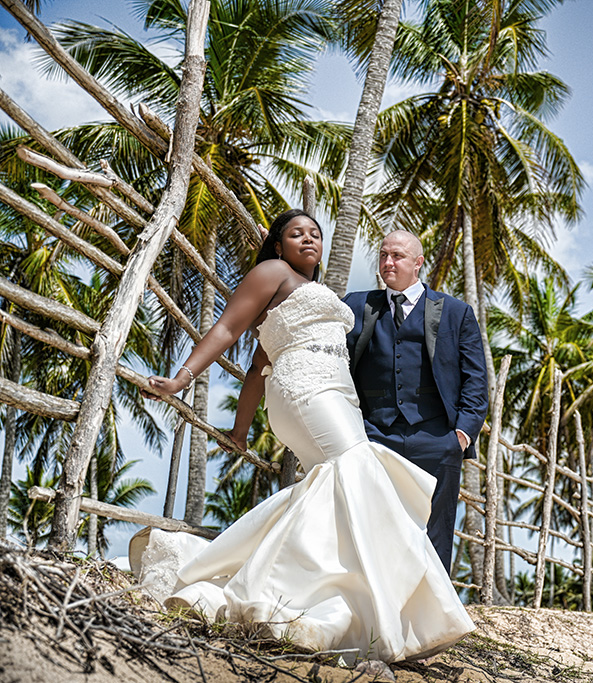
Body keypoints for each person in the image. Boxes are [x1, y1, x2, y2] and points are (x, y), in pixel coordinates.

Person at [135, 209, 475, 663]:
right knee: (359, 475)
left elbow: (257, 366)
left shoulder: (314, 293)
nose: (309, 239)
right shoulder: (273, 273)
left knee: (331, 495)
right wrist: (181, 378)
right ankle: (389, 612)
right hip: (307, 395)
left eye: (315, 233)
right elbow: (226, 328)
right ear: (278, 245)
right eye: (296, 233)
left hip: (338, 401)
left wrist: (240, 431)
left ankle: (316, 598)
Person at [342, 231, 489, 573]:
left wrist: (461, 436)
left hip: (437, 437)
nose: (388, 262)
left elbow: (476, 379)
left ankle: (435, 619)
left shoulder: (455, 312)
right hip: (375, 434)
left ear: (418, 263)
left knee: (435, 532)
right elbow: (313, 299)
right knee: (373, 525)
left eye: (397, 256)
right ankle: (381, 612)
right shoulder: (356, 304)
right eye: (383, 255)